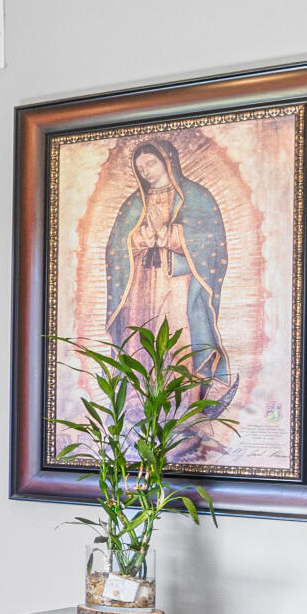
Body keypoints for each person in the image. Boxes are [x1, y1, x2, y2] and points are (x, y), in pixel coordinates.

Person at [103, 136, 230, 416]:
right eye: (141, 168)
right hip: (140, 286)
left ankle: (185, 408)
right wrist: (141, 237)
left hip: (178, 284)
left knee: (179, 338)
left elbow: (210, 242)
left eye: (151, 163)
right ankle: (141, 409)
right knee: (139, 339)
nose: (146, 171)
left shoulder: (195, 196)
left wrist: (168, 234)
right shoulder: (133, 203)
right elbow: (116, 247)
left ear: (167, 161)